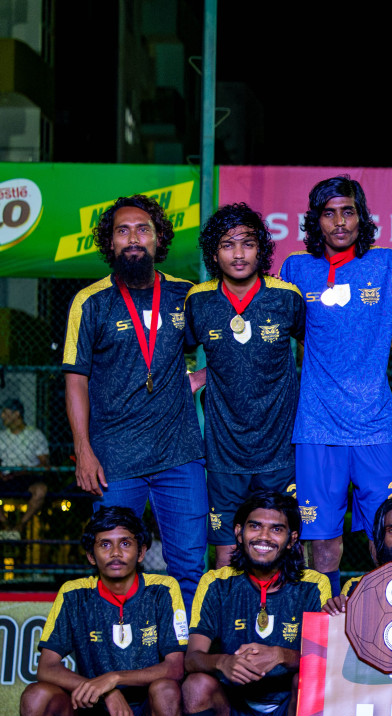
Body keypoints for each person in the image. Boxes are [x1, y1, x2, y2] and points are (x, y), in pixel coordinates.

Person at [280, 176, 392, 592]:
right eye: (329, 213)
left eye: (348, 211)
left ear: (362, 217)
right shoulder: (296, 268)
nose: (340, 222)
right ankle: (326, 634)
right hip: (316, 427)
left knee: (389, 537)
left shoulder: (387, 264)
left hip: (375, 426)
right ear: (315, 220)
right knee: (323, 544)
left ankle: (390, 620)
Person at [63, 194, 207, 602]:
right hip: (114, 460)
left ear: (159, 238)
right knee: (114, 569)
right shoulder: (90, 302)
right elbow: (76, 379)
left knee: (190, 569)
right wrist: (83, 450)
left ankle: (186, 659)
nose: (133, 239)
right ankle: (124, 656)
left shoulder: (187, 294)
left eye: (142, 229)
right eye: (122, 231)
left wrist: (197, 378)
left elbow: (226, 345)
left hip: (179, 454)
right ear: (109, 243)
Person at [19, 507, 188, 716]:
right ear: (90, 554)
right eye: (104, 544)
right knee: (34, 697)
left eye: (125, 544)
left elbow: (175, 666)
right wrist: (106, 691)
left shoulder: (162, 588)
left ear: (142, 551)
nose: (115, 553)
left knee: (167, 690)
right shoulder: (74, 593)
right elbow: (46, 668)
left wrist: (113, 679)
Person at [176, 491, 330, 716]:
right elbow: (192, 658)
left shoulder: (313, 586)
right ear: (238, 532)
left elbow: (328, 658)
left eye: (276, 529)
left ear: (292, 539)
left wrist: (281, 654)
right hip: (235, 714)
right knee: (196, 685)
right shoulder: (217, 582)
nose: (264, 537)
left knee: (309, 681)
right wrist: (222, 661)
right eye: (255, 526)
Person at [185, 202, 305, 569]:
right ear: (213, 253)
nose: (238, 254)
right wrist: (199, 375)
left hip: (280, 450)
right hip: (224, 451)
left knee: (287, 547)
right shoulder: (199, 301)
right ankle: (225, 625)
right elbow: (179, 353)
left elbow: (315, 351)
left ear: (262, 248)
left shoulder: (288, 297)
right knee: (225, 552)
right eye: (227, 244)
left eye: (247, 243)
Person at [0, 398, 50, 529]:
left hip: (27, 476)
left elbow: (44, 464)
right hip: (6, 476)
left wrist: (24, 471)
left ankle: (21, 525)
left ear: (16, 414)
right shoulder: (2, 436)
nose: (2, 416)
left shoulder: (35, 434)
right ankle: (5, 524)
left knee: (41, 490)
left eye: (5, 412)